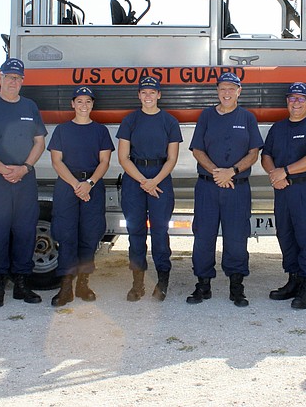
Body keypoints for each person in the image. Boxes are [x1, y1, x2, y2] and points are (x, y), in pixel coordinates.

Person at [0, 58, 47, 308]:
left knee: (25, 231)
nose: (14, 81)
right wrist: (2, 168)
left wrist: (25, 168)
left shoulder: (29, 106)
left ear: (23, 81)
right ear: (0, 78)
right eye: (9, 77)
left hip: (24, 179)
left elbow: (39, 142)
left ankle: (22, 283)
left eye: (18, 78)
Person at [187, 72, 263, 307]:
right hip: (208, 187)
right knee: (203, 236)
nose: (227, 93)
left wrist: (232, 171)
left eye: (232, 88)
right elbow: (197, 149)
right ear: (217, 91)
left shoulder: (247, 117)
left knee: (237, 238)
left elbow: (254, 153)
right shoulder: (207, 116)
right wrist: (216, 172)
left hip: (237, 187)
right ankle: (203, 286)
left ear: (239, 91)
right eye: (223, 88)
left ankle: (236, 287)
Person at [261, 82, 306, 310]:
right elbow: (266, 155)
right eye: (292, 98)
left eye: (301, 99)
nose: (296, 102)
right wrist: (274, 175)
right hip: (282, 189)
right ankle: (293, 281)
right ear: (287, 102)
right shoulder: (277, 128)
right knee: (286, 235)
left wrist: (285, 171)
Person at [47, 86, 114, 307]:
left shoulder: (100, 131)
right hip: (68, 185)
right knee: (66, 236)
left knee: (89, 235)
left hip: (92, 185)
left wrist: (89, 184)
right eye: (80, 101)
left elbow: (104, 161)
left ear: (92, 104)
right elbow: (57, 161)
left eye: (88, 101)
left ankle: (83, 284)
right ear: (72, 104)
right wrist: (77, 185)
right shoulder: (62, 130)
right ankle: (65, 288)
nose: (84, 105)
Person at [116, 76, 182, 302]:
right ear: (139, 95)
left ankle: (162, 281)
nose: (148, 96)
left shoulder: (169, 121)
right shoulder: (130, 120)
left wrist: (154, 181)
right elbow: (123, 157)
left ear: (159, 95)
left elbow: (172, 158)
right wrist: (144, 182)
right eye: (144, 92)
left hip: (160, 178)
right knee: (135, 233)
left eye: (152, 92)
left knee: (160, 232)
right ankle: (138, 283)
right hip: (135, 179)